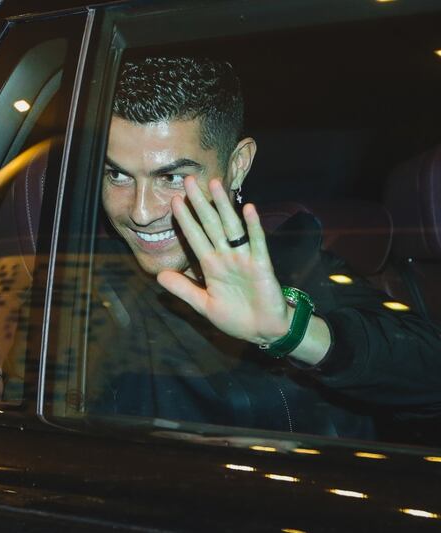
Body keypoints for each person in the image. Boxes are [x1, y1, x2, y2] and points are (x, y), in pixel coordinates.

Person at [88, 56, 441, 440]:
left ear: (237, 166)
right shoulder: (87, 295)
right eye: (117, 174)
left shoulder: (297, 260)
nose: (139, 212)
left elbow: (428, 376)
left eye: (171, 177)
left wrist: (290, 331)